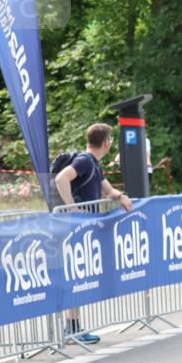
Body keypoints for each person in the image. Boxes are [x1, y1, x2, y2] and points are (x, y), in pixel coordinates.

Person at [54, 123, 134, 344]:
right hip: (75, 227)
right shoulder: (84, 161)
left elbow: (107, 190)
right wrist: (71, 208)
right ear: (106, 143)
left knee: (78, 277)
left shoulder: (94, 165)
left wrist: (122, 197)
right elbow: (61, 178)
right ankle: (71, 328)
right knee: (74, 277)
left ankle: (73, 326)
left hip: (83, 228)